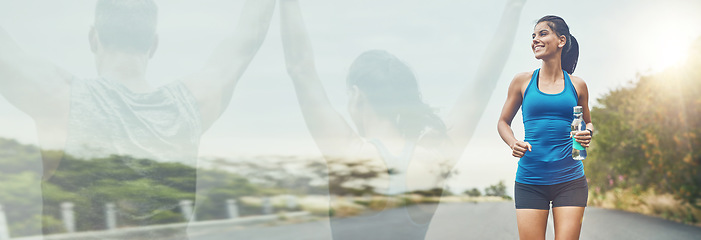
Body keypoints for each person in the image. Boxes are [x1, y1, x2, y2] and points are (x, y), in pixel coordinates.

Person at [0, 0, 275, 238]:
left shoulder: (60, 98)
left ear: (93, 38)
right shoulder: (194, 103)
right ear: (154, 44)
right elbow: (246, 39)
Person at [280, 0, 525, 239]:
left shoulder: (349, 153)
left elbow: (301, 69)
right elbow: (483, 84)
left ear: (356, 95)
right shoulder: (432, 158)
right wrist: (514, 7)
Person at [497, 15, 594, 240]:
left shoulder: (577, 85)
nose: (535, 40)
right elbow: (503, 122)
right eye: (533, 36)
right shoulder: (522, 81)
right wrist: (513, 142)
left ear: (561, 41)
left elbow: (588, 121)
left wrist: (588, 132)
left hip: (570, 180)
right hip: (530, 180)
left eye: (542, 34)